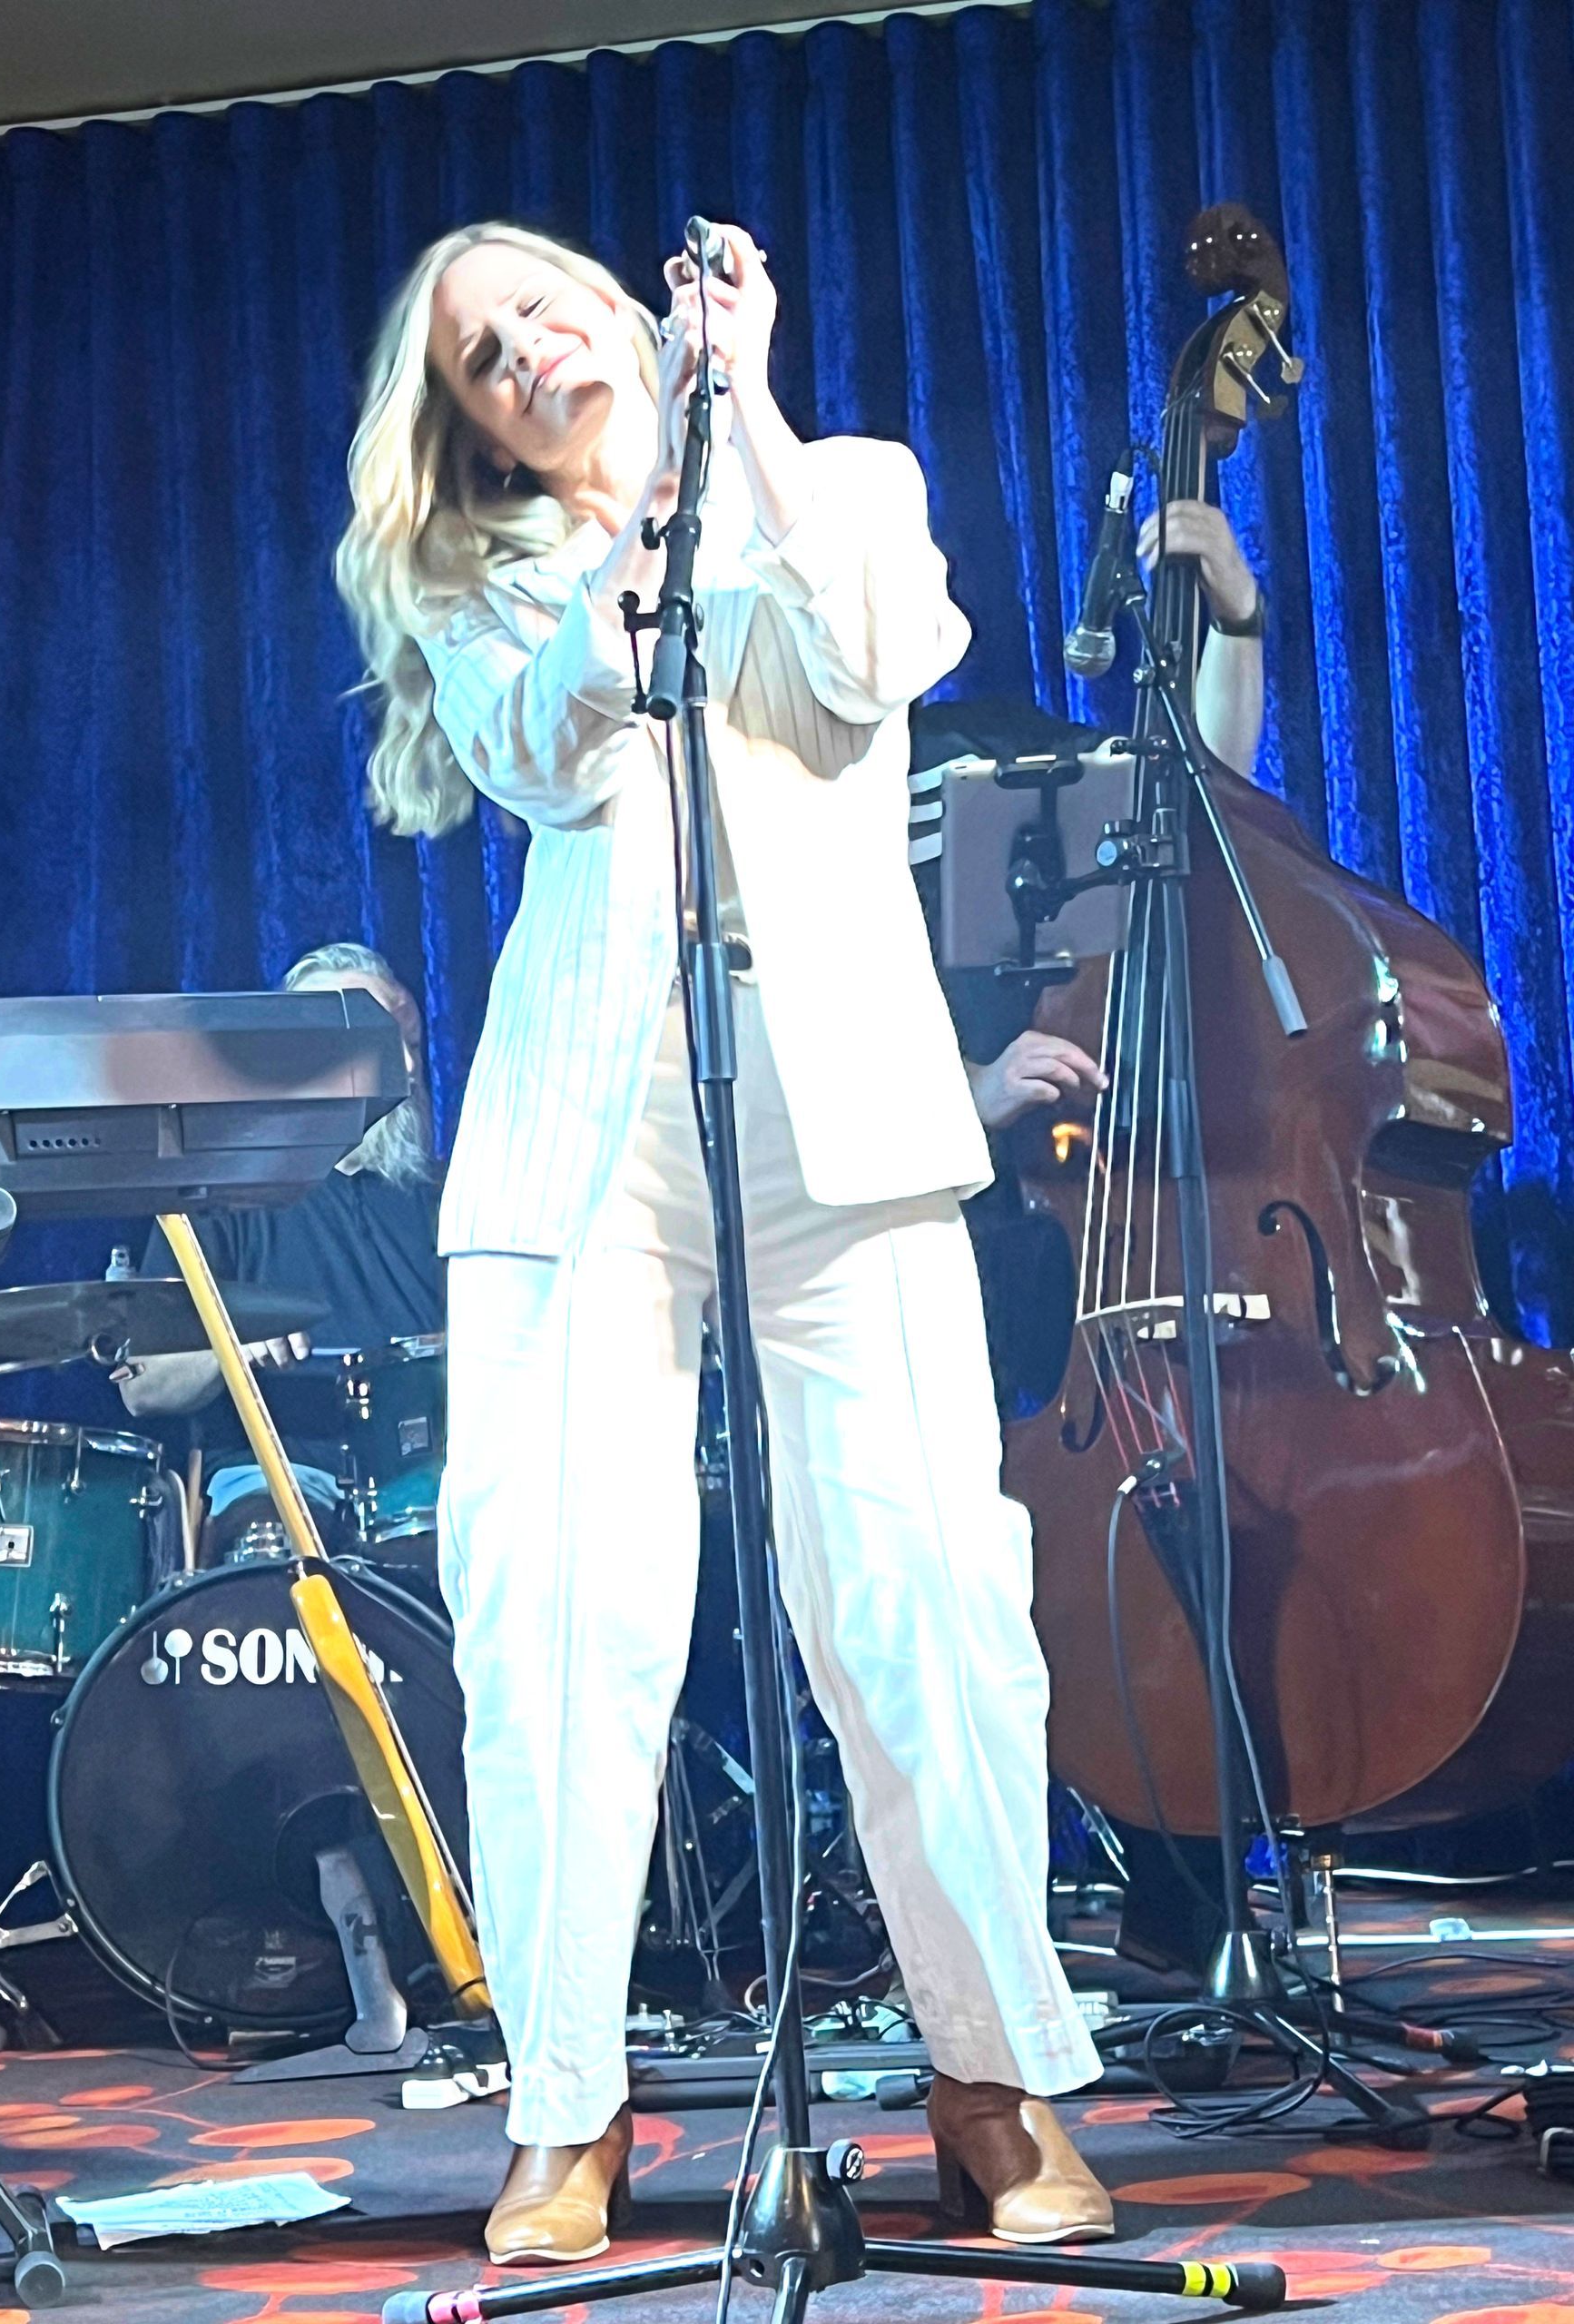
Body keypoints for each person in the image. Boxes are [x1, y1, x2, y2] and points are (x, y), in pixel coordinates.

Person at [337, 217, 1113, 2267]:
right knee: (557, 1616)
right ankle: (568, 2107)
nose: (522, 353)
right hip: (588, 1128)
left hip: (838, 1105)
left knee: (926, 1595)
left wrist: (736, 414)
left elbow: (874, 650)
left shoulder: (835, 480)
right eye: (483, 357)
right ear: (476, 426)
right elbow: (532, 743)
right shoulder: (481, 585)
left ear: (628, 306)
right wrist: (627, 537)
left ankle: (988, 2075)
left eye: (543, 310)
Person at [115, 942, 443, 1559]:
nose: (404, 1062)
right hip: (280, 1471)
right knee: (276, 1542)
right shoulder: (220, 1195)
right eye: (377, 1041)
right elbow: (144, 1387)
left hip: (427, 1484)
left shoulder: (446, 1200)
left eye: (411, 1042)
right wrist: (229, 1351)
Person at [962, 497, 1267, 1139]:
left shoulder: (981, 744)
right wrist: (965, 1091)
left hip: (1066, 1165)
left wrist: (1237, 617)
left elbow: (1197, 790)